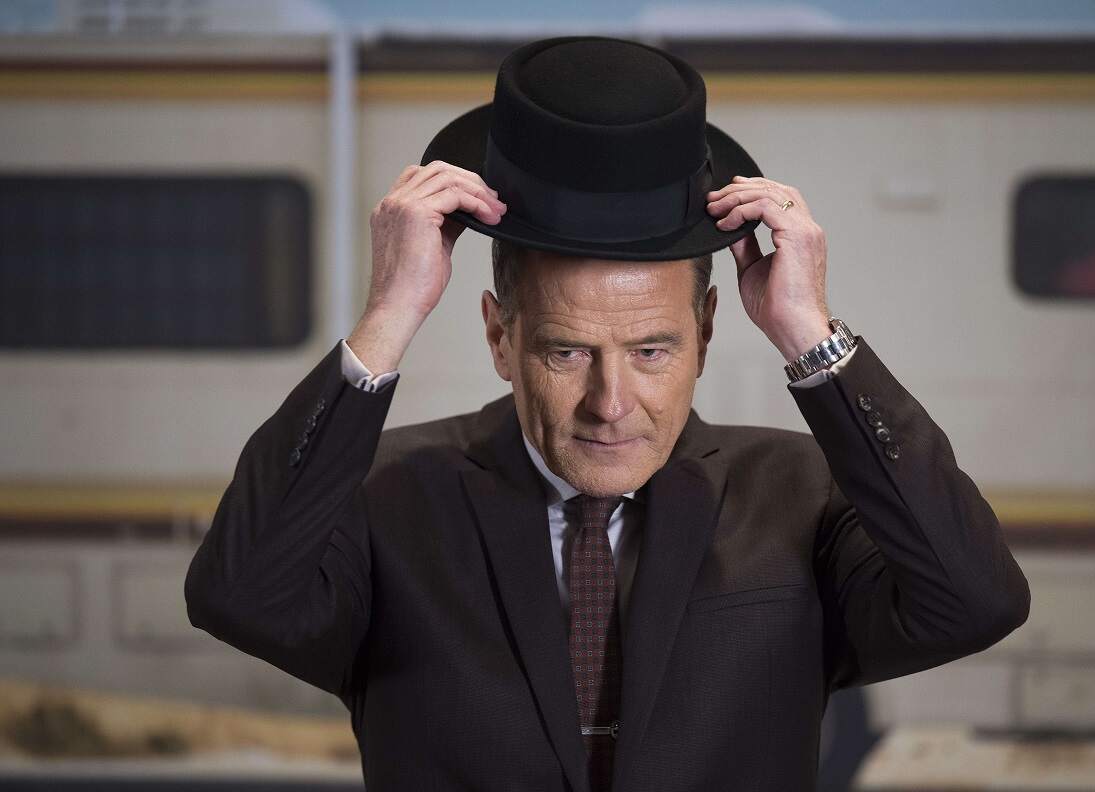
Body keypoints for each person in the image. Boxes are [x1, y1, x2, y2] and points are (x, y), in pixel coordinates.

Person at [184, 35, 1030, 792]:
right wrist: (388, 317)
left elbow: (975, 600)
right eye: (567, 352)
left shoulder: (802, 492)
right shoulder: (384, 494)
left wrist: (811, 334)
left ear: (706, 332)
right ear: (500, 337)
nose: (611, 404)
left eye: (652, 351)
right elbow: (239, 595)